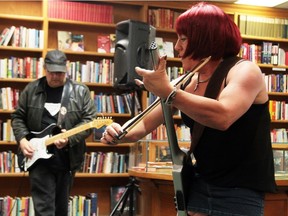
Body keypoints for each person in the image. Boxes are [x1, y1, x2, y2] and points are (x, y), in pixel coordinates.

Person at [101, 2, 277, 216]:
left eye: (183, 38)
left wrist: (169, 92)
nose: (177, 47)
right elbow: (144, 124)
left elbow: (223, 116)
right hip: (200, 185)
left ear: (207, 38)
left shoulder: (244, 70)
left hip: (240, 192)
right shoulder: (187, 81)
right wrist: (119, 133)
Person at [11, 50, 97, 215]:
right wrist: (22, 139)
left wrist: (69, 138)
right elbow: (17, 117)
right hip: (38, 159)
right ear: (44, 69)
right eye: (52, 72)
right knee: (45, 210)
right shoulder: (31, 89)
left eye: (60, 72)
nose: (56, 76)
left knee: (61, 209)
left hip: (67, 160)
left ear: (67, 68)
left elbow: (89, 122)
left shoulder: (80, 91)